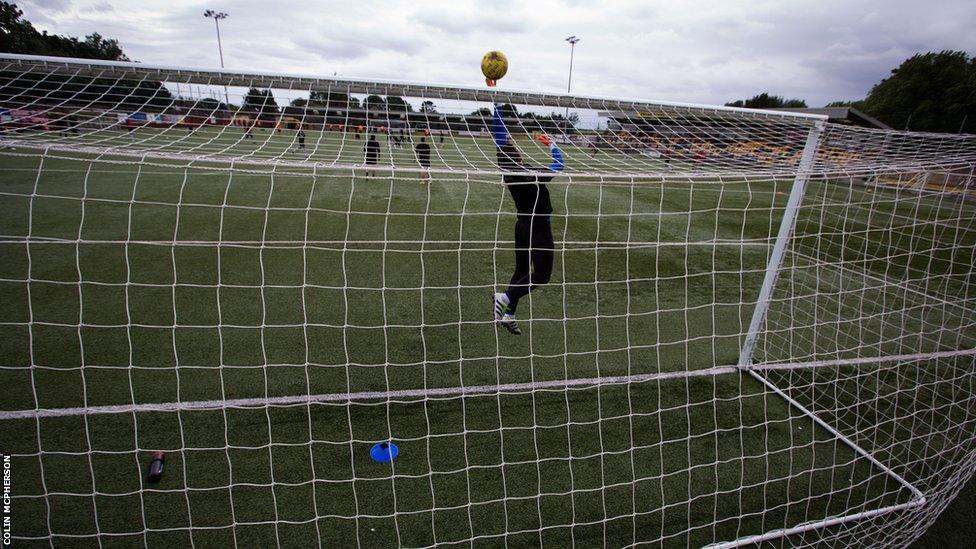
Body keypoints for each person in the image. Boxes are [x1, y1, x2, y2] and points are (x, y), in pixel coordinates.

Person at [490, 103, 565, 335]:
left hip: (521, 226)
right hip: (539, 227)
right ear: (519, 156)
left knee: (521, 272)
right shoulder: (530, 173)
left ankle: (510, 313)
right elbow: (559, 165)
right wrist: (552, 144)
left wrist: (497, 106)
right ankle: (506, 297)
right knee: (542, 276)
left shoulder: (508, 172)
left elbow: (499, 136)